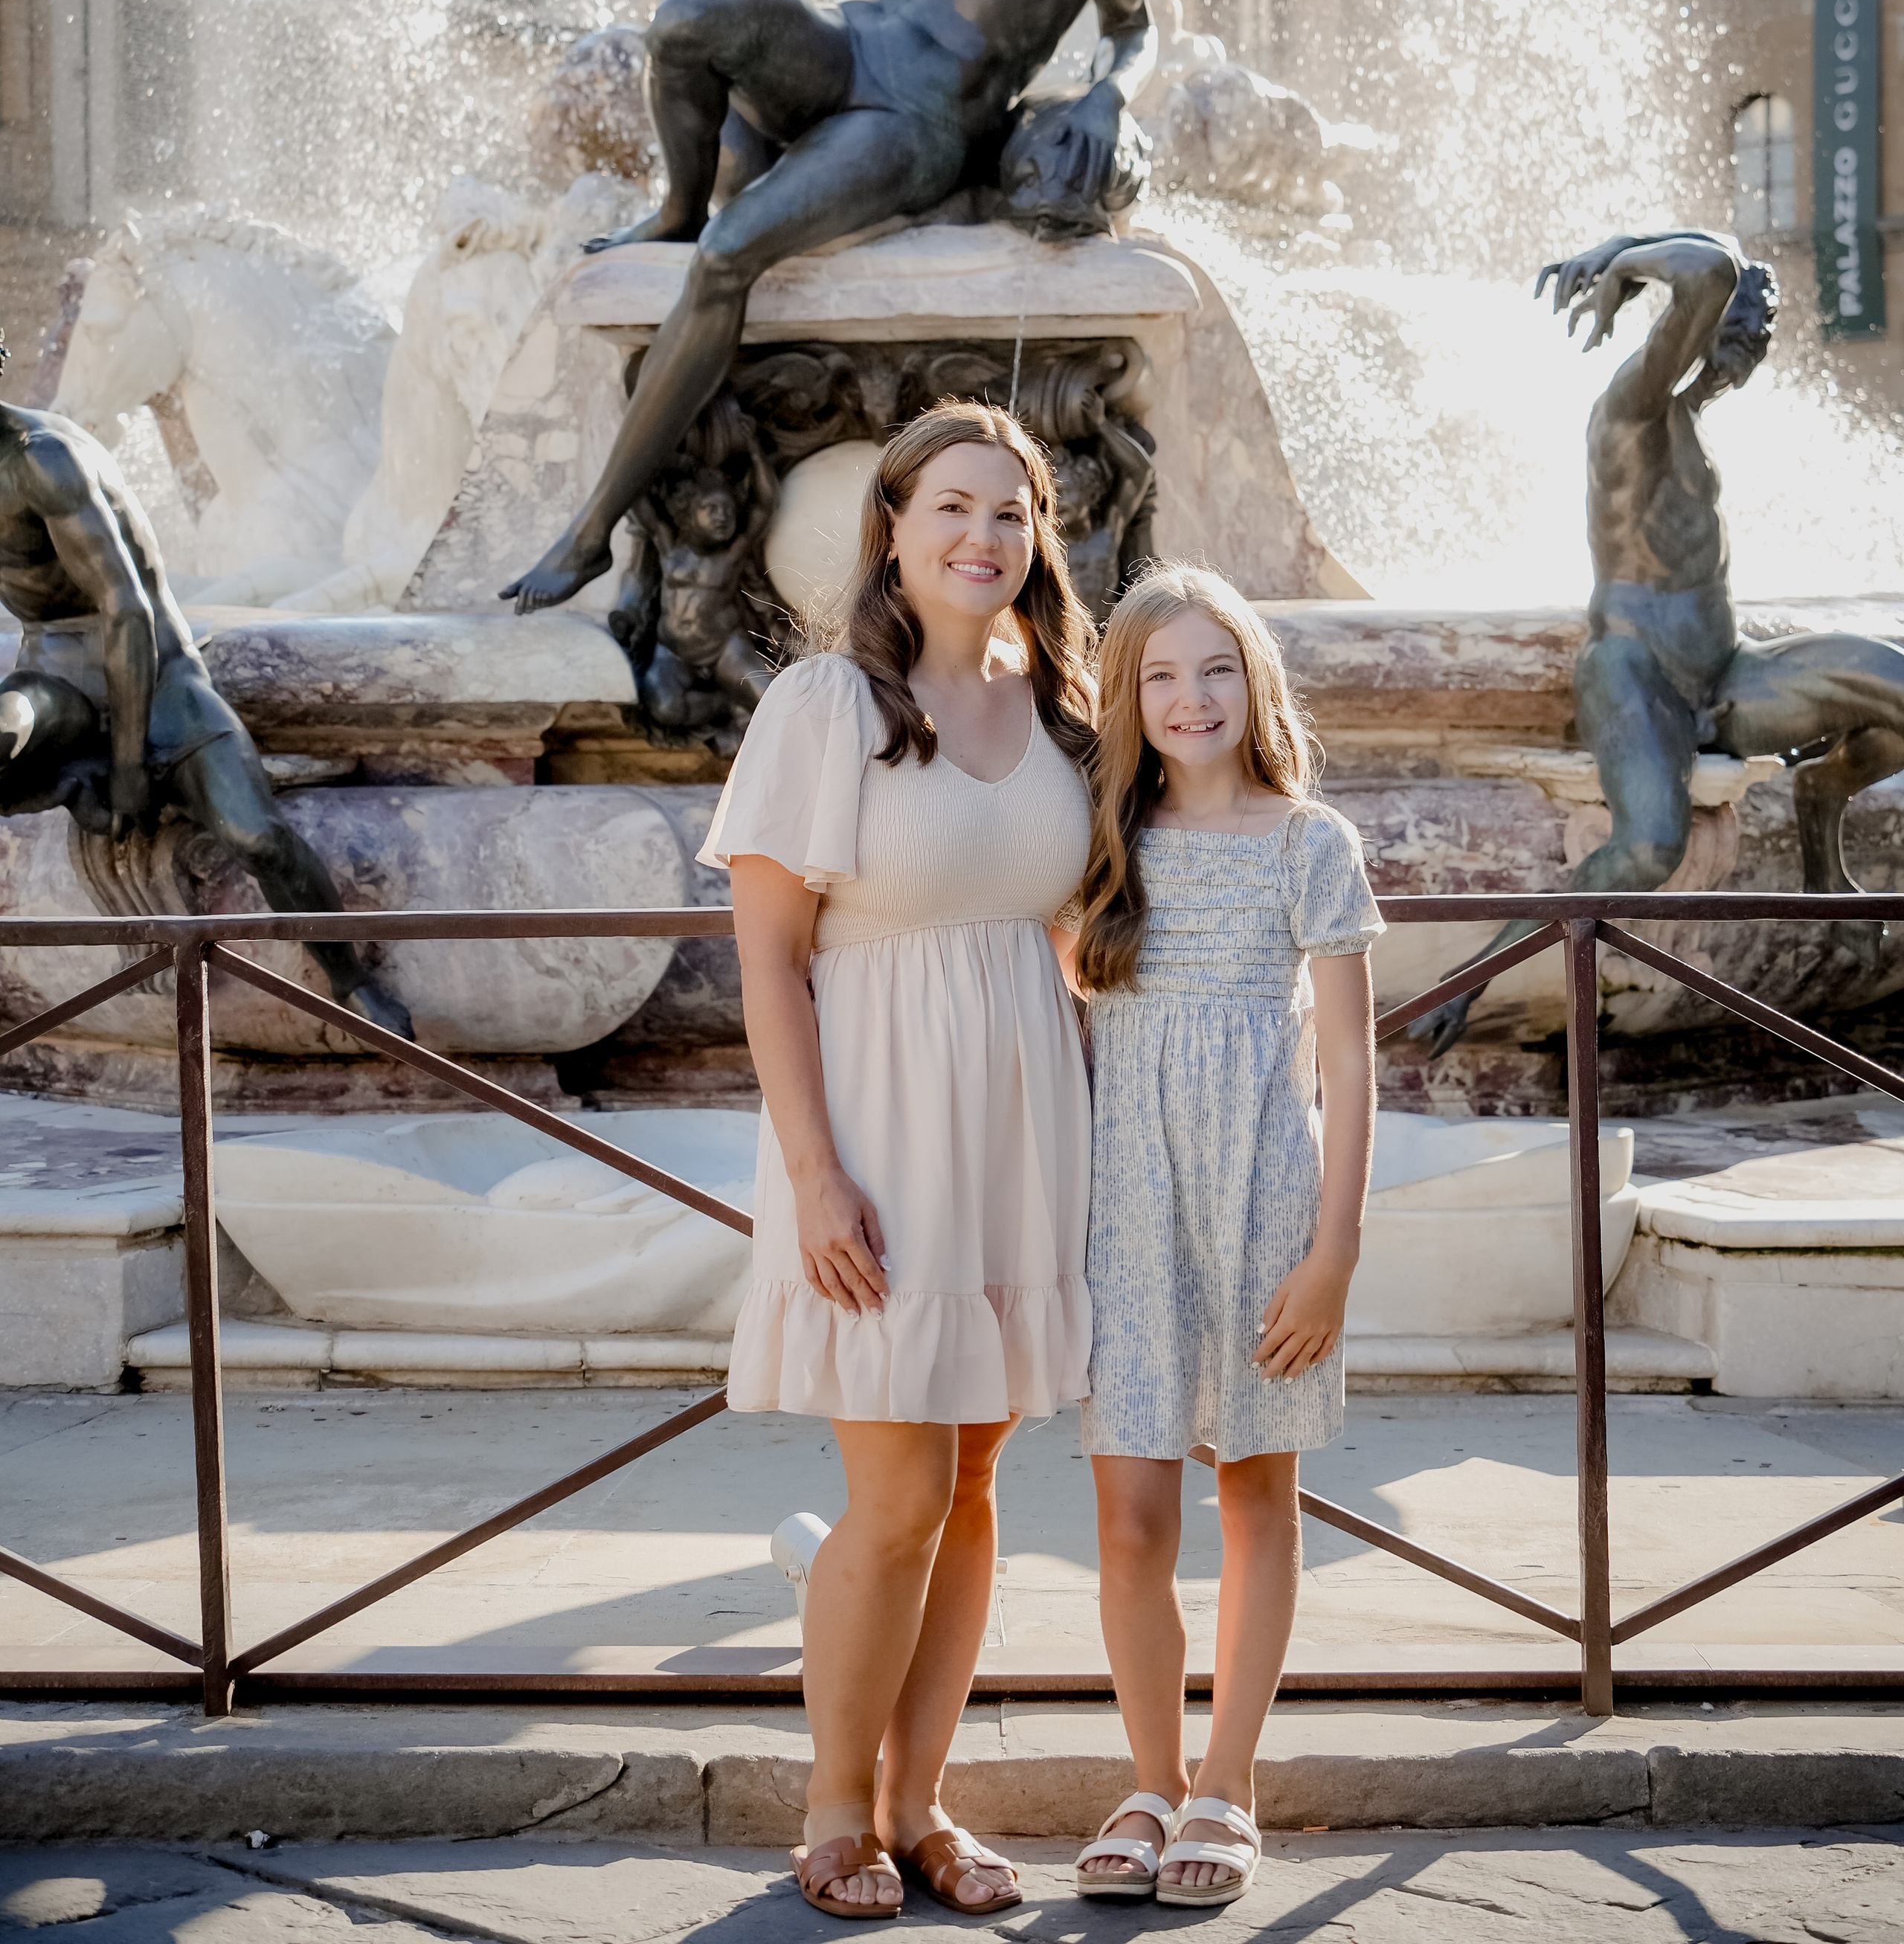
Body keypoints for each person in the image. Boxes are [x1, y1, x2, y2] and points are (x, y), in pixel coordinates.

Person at [501, 0, 1155, 614]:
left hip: (924, 121)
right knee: (689, 20)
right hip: (856, 47)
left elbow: (1135, 27)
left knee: (732, 258)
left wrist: (1110, 92)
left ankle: (593, 531)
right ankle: (676, 205)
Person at [699, 401, 1096, 1919]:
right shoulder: (823, 706)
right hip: (874, 1125)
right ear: (892, 527)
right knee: (894, 1492)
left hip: (1020, 1124)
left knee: (977, 1477)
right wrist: (812, 1176)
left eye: (1009, 512)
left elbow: (1078, 931)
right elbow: (768, 968)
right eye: (951, 507)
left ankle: (923, 1807)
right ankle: (832, 1810)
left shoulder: (1059, 698)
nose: (981, 537)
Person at [1067, 567, 1380, 1908]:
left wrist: (1335, 1253)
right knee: (1131, 1511)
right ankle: (1149, 1777)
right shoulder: (1099, 843)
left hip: (1265, 1201)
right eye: (1159, 676)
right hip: (1125, 1202)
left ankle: (1228, 1782)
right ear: (1126, 698)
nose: (1190, 699)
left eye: (1215, 670)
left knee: (1257, 1493)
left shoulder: (1310, 843)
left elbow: (1357, 1068)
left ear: (1254, 681)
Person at [1418, 229, 1904, 1053]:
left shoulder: (1689, 418)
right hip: (1635, 669)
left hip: (1728, 668)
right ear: (1693, 325)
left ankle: (1820, 808)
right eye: (1739, 327)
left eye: (1760, 336)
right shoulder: (1631, 405)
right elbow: (1708, 269)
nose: (1749, 347)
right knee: (1646, 847)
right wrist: (1621, 259)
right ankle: (1468, 977)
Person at [0, 337, 408, 1035]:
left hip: (152, 667)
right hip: (52, 677)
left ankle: (352, 981)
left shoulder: (43, 457)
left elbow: (125, 609)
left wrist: (130, 768)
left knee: (257, 836)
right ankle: (76, 779)